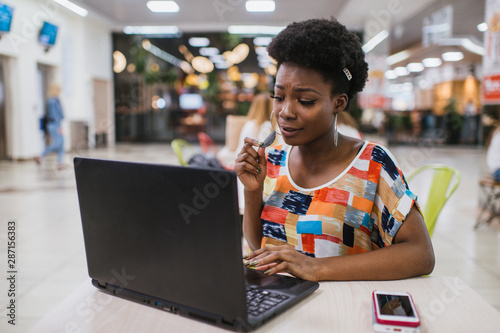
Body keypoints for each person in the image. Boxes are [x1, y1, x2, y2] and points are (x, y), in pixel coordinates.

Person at [235, 18, 435, 281]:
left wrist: (316, 268)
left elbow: (420, 254)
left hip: (343, 311)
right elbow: (258, 246)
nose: (285, 112)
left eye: (305, 101)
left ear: (338, 103)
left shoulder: (372, 164)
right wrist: (253, 191)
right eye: (279, 97)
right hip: (280, 307)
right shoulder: (272, 158)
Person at [36, 83, 66, 170]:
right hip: (54, 124)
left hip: (57, 124)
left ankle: (60, 163)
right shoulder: (52, 101)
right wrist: (59, 127)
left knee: (61, 144)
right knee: (57, 144)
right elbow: (54, 115)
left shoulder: (56, 100)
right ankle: (40, 155)